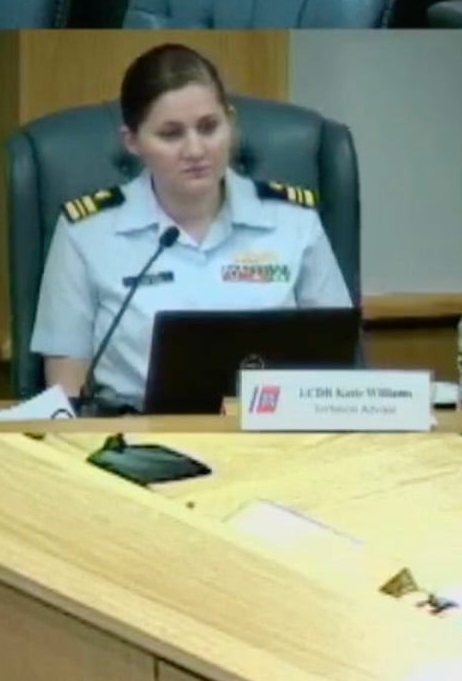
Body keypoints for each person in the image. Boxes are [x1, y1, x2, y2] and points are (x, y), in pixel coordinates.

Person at [31, 43, 354, 408]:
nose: (196, 150)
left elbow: (336, 367)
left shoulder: (293, 221)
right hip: (140, 437)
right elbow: (63, 397)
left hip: (274, 435)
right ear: (132, 141)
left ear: (230, 122)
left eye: (209, 127)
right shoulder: (86, 232)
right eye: (171, 134)